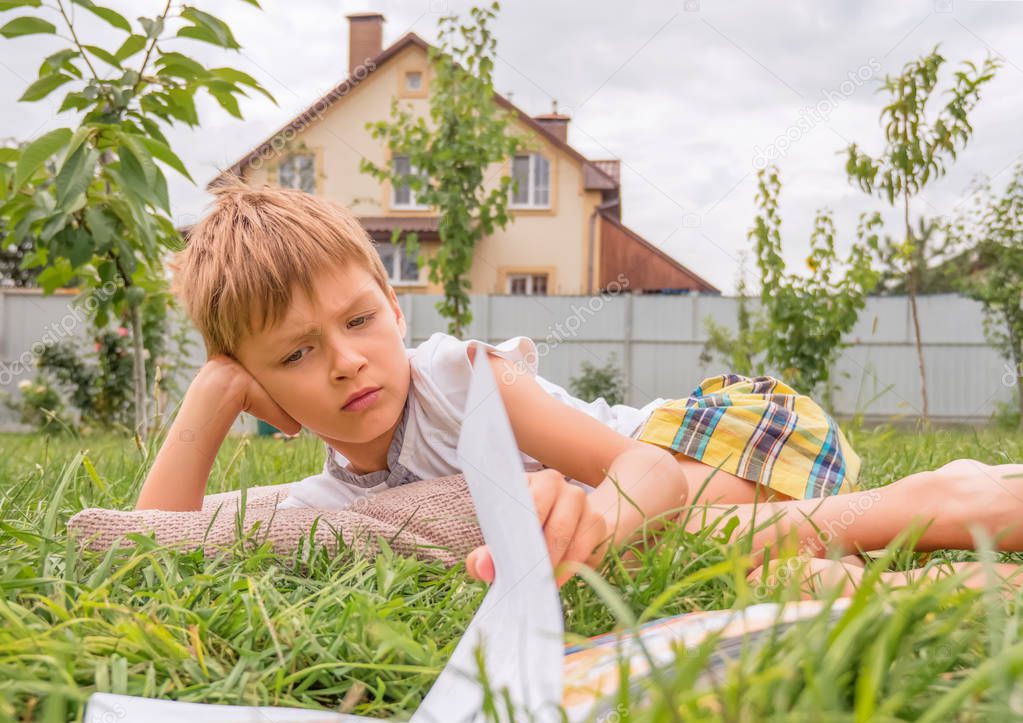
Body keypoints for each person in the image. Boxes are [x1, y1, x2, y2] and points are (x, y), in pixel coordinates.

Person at [138, 180, 1023, 594]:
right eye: (294, 356)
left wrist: (600, 522)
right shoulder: (337, 493)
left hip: (723, 435)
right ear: (260, 390)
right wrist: (210, 396)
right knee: (717, 571)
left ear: (397, 314)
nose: (343, 361)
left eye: (360, 320)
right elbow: (147, 541)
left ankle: (940, 497)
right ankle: (873, 557)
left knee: (675, 537)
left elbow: (653, 477)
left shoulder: (463, 380)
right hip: (703, 490)